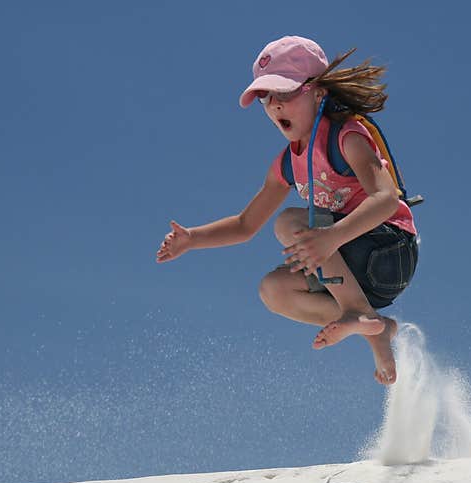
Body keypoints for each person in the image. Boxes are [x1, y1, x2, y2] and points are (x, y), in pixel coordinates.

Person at [156, 35, 418, 385]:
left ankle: (359, 316)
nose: (275, 106)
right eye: (267, 98)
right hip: (353, 267)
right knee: (274, 290)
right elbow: (246, 224)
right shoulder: (287, 164)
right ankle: (375, 326)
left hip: (390, 250)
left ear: (318, 91)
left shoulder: (346, 137)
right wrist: (192, 239)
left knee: (290, 221)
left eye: (285, 93)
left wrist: (330, 239)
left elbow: (387, 199)